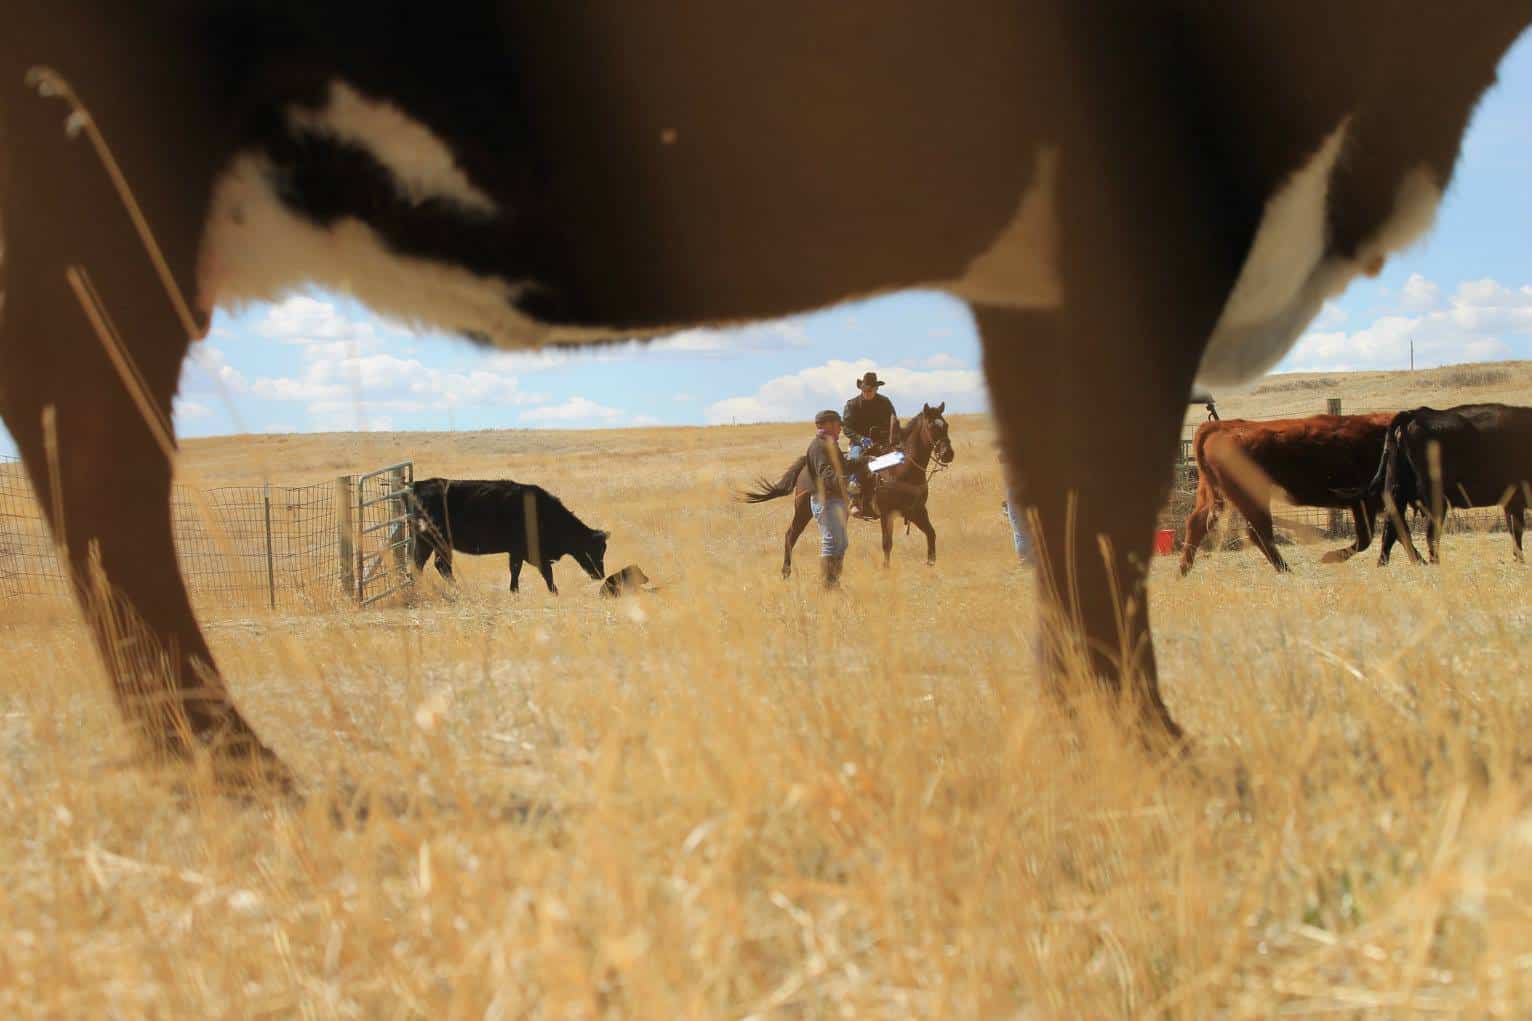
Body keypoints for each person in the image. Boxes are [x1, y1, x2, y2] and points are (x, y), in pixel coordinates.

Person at [842, 370, 898, 519]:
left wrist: (888, 438)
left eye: (870, 390)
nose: (867, 392)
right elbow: (846, 427)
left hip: (882, 442)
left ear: (876, 389)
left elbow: (893, 422)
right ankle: (854, 498)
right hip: (859, 443)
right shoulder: (852, 404)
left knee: (899, 458)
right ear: (861, 389)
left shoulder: (885, 403)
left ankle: (900, 495)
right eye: (864, 390)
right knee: (854, 458)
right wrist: (860, 439)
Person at [806, 409, 852, 588]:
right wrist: (845, 481)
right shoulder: (819, 446)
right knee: (832, 542)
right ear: (825, 425)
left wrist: (864, 461)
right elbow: (826, 473)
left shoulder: (830, 444)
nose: (840, 427)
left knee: (841, 543)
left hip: (836, 501)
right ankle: (827, 586)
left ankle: (834, 583)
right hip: (826, 500)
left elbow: (844, 466)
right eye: (837, 424)